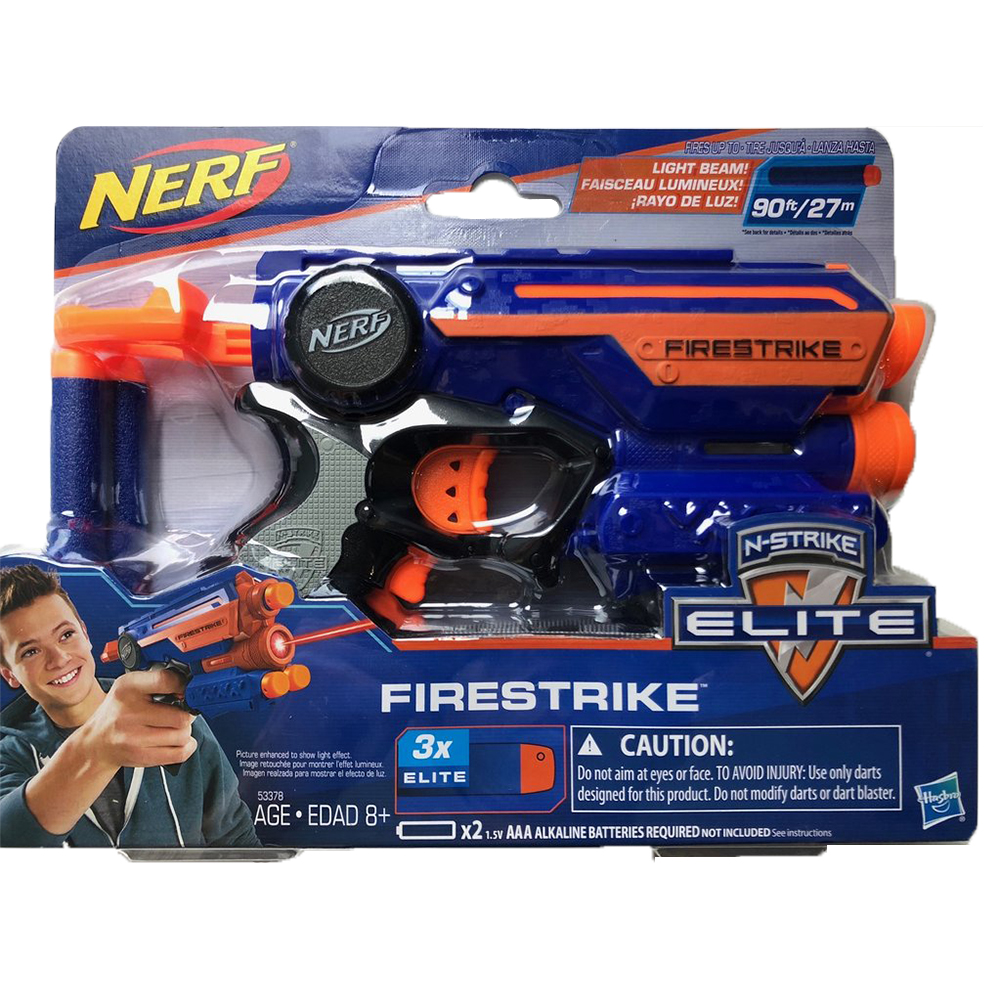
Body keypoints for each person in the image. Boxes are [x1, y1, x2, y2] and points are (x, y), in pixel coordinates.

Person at [0, 563, 260, 848]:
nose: (59, 658)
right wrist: (97, 750)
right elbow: (8, 840)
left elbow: (236, 838)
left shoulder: (173, 711)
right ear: (9, 674)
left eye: (66, 635)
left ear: (85, 634)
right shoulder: (9, 754)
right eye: (31, 651)